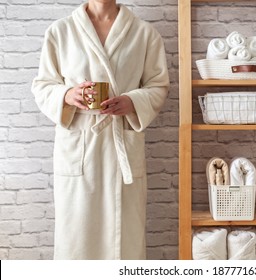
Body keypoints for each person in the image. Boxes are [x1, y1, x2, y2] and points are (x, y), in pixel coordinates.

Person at [31, 0, 169, 260]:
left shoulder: (143, 33)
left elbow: (158, 85)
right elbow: (42, 86)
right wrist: (68, 95)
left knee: (124, 240)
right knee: (77, 236)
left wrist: (132, 101)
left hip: (121, 148)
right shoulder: (61, 31)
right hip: (79, 147)